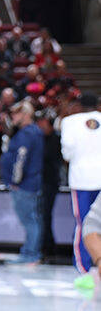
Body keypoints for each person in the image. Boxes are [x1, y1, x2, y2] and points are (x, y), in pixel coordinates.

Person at [61, 92, 101, 277]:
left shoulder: (70, 122)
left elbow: (67, 153)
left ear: (79, 105)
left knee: (84, 223)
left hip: (81, 179)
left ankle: (84, 269)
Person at [0, 103, 44, 266]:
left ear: (25, 114)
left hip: (24, 184)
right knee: (32, 219)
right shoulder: (34, 132)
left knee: (29, 220)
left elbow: (21, 158)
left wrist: (15, 181)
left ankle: (31, 253)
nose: (13, 117)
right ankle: (31, 251)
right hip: (31, 181)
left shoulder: (27, 134)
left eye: (16, 114)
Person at [34, 109, 62, 262]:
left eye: (42, 122)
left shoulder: (56, 138)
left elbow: (47, 156)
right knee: (41, 216)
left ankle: (48, 247)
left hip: (49, 182)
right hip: (39, 181)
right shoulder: (39, 138)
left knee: (45, 215)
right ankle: (45, 246)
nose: (39, 125)